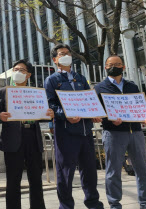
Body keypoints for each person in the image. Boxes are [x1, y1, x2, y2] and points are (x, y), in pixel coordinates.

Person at [44, 44, 104, 209]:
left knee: (90, 170)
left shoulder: (81, 78)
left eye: (68, 53)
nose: (66, 56)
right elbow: (50, 105)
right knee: (65, 173)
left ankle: (93, 203)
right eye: (62, 54)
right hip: (65, 133)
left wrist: (94, 113)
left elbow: (88, 100)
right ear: (55, 60)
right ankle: (66, 206)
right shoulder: (52, 80)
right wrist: (65, 115)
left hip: (85, 132)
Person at [0, 59, 54, 209]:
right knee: (13, 179)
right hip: (12, 140)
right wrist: (0, 116)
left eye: (22, 70)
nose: (18, 72)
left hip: (33, 137)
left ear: (29, 75)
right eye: (15, 69)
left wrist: (49, 114)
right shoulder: (3, 92)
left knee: (36, 179)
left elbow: (44, 113)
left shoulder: (37, 93)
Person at [94, 55, 146, 209]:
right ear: (105, 67)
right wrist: (108, 119)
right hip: (113, 133)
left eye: (118, 64)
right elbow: (97, 112)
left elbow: (139, 107)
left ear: (123, 67)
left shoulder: (132, 86)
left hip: (136, 132)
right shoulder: (99, 88)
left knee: (142, 170)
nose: (114, 66)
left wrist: (145, 117)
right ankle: (114, 203)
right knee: (113, 171)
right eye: (111, 64)